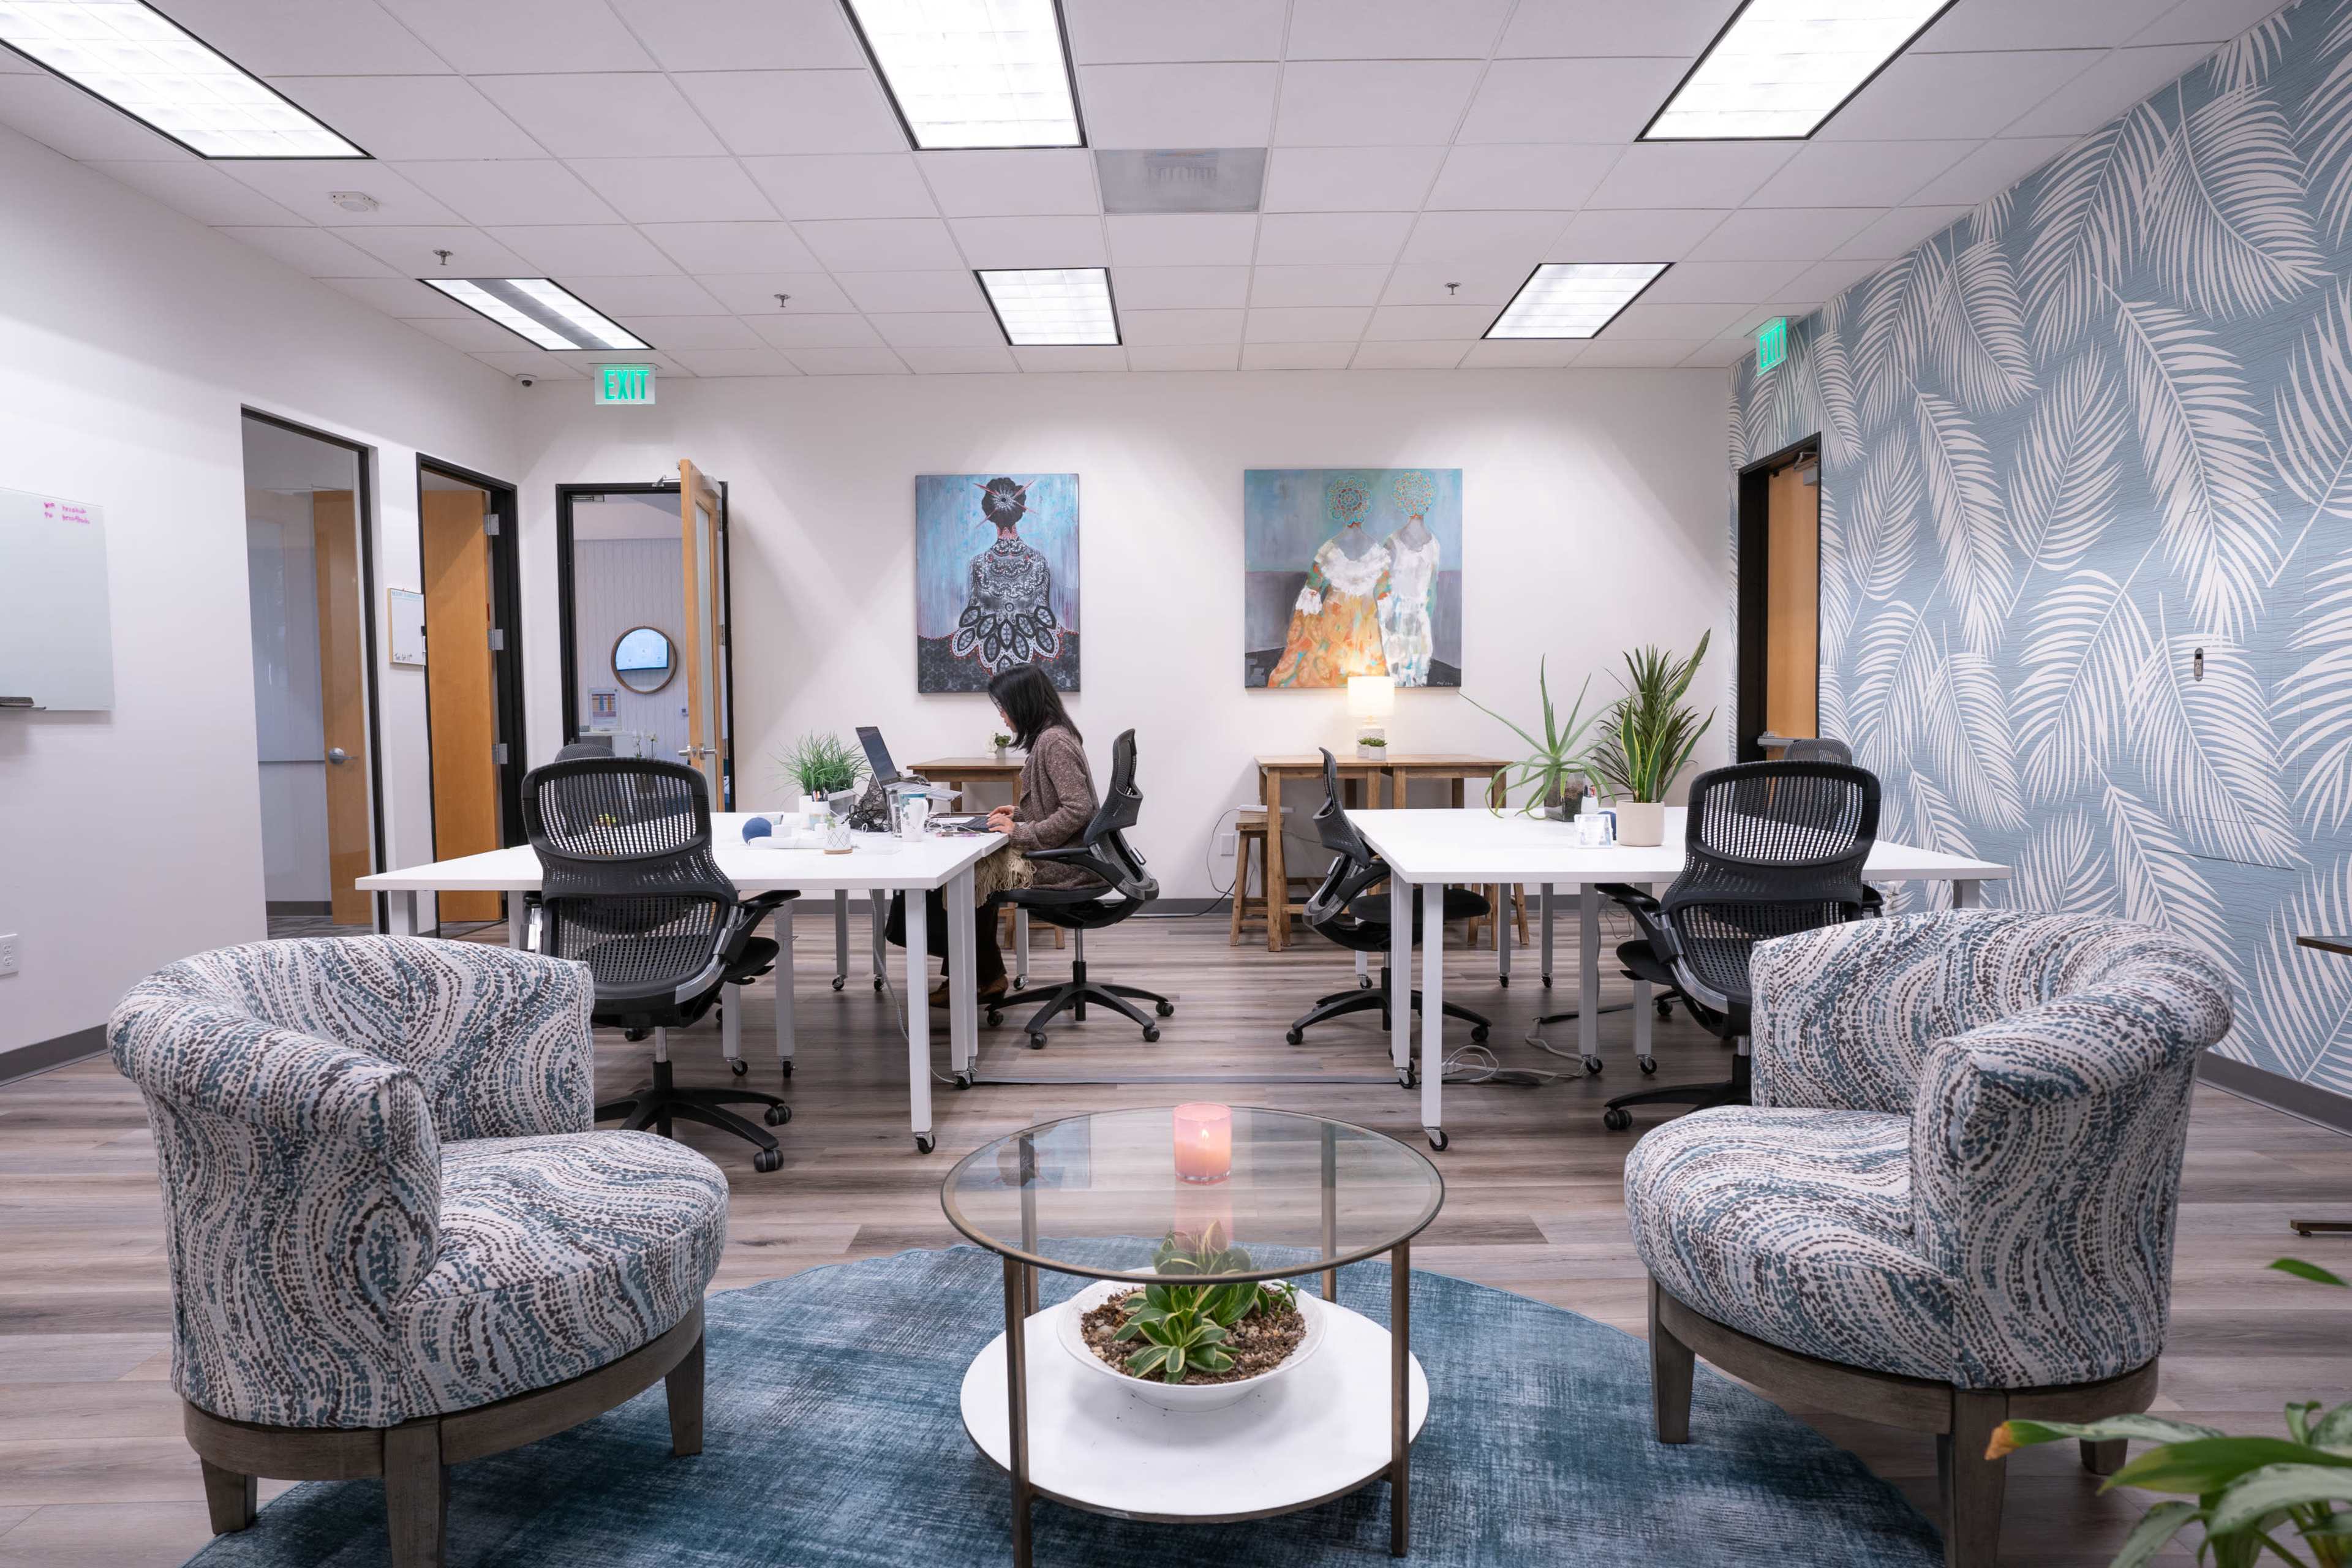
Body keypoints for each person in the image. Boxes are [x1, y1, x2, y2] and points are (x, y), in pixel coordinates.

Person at [886, 663, 1099, 1006]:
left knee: (969, 877)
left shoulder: (1054, 742)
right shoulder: (1053, 735)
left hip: (1066, 864)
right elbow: (1058, 805)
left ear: (1022, 703)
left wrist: (1023, 833)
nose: (1002, 716)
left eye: (1003, 707)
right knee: (970, 872)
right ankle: (983, 976)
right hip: (1061, 853)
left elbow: (1079, 809)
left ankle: (975, 978)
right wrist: (1018, 814)